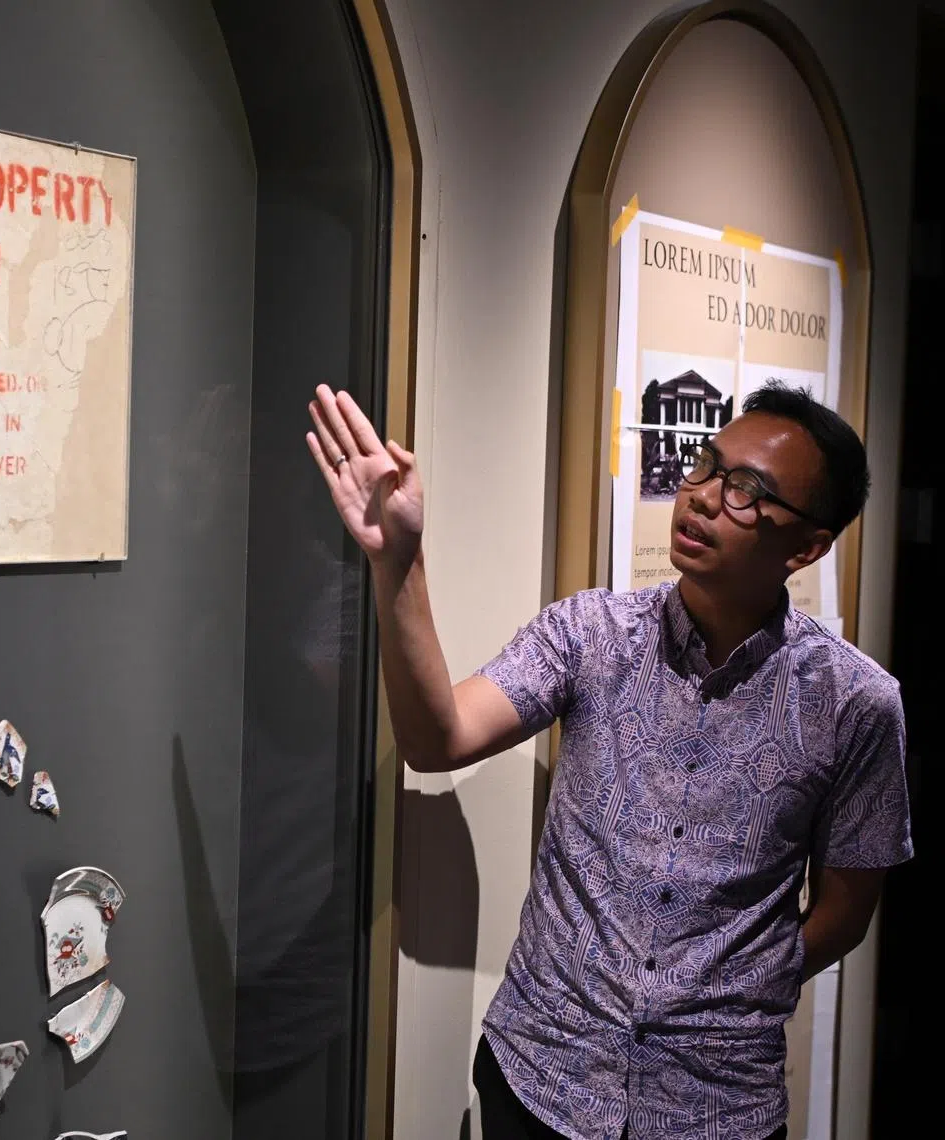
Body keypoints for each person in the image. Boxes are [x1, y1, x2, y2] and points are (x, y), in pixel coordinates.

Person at [306, 380, 912, 1140]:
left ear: (807, 546)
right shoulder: (591, 634)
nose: (701, 499)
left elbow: (846, 911)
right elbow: (438, 740)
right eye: (706, 467)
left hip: (716, 1108)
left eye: (746, 490)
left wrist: (736, 988)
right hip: (543, 1076)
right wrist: (400, 560)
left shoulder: (855, 703)